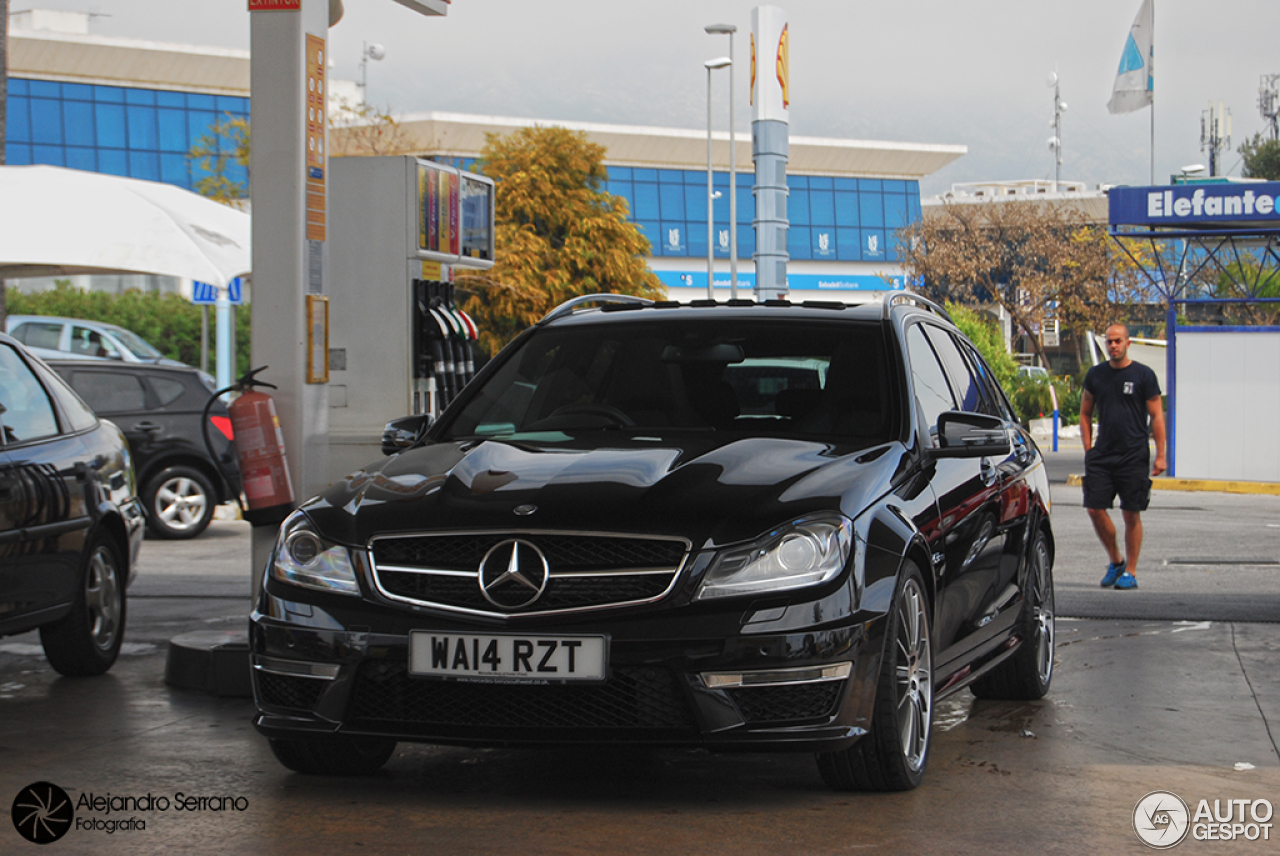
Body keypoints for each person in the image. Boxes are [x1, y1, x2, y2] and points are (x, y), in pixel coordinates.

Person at [1079, 323, 1167, 590]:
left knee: (1131, 514)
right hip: (1103, 454)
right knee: (1095, 508)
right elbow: (1084, 413)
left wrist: (1161, 455)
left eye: (1118, 341)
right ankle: (1116, 561)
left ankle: (1131, 570)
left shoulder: (1143, 375)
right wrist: (1088, 449)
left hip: (1133, 454)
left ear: (1128, 343)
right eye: (1109, 342)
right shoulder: (1096, 375)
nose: (1113, 346)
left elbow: (1157, 416)